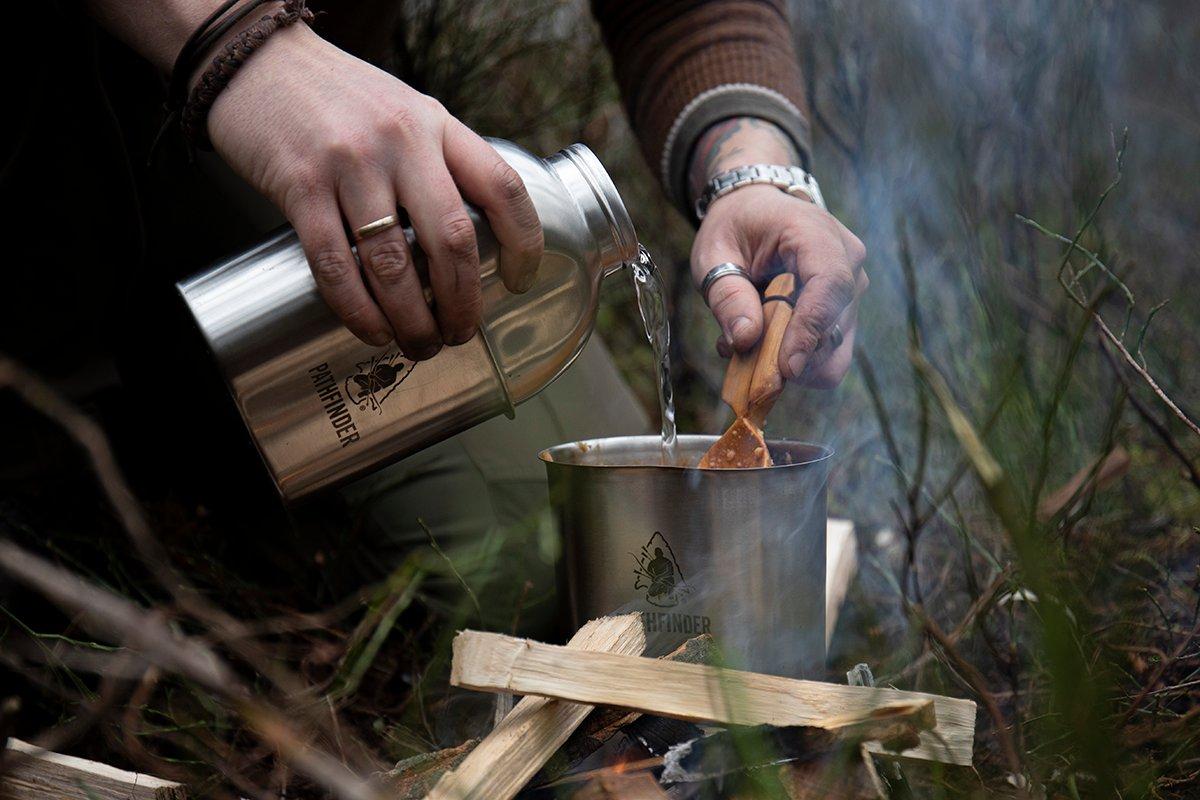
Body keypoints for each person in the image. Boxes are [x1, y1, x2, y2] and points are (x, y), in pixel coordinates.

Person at [6, 0, 866, 631]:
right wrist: (236, 42)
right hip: (89, 94)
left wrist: (754, 172)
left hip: (299, 151)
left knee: (553, 552)